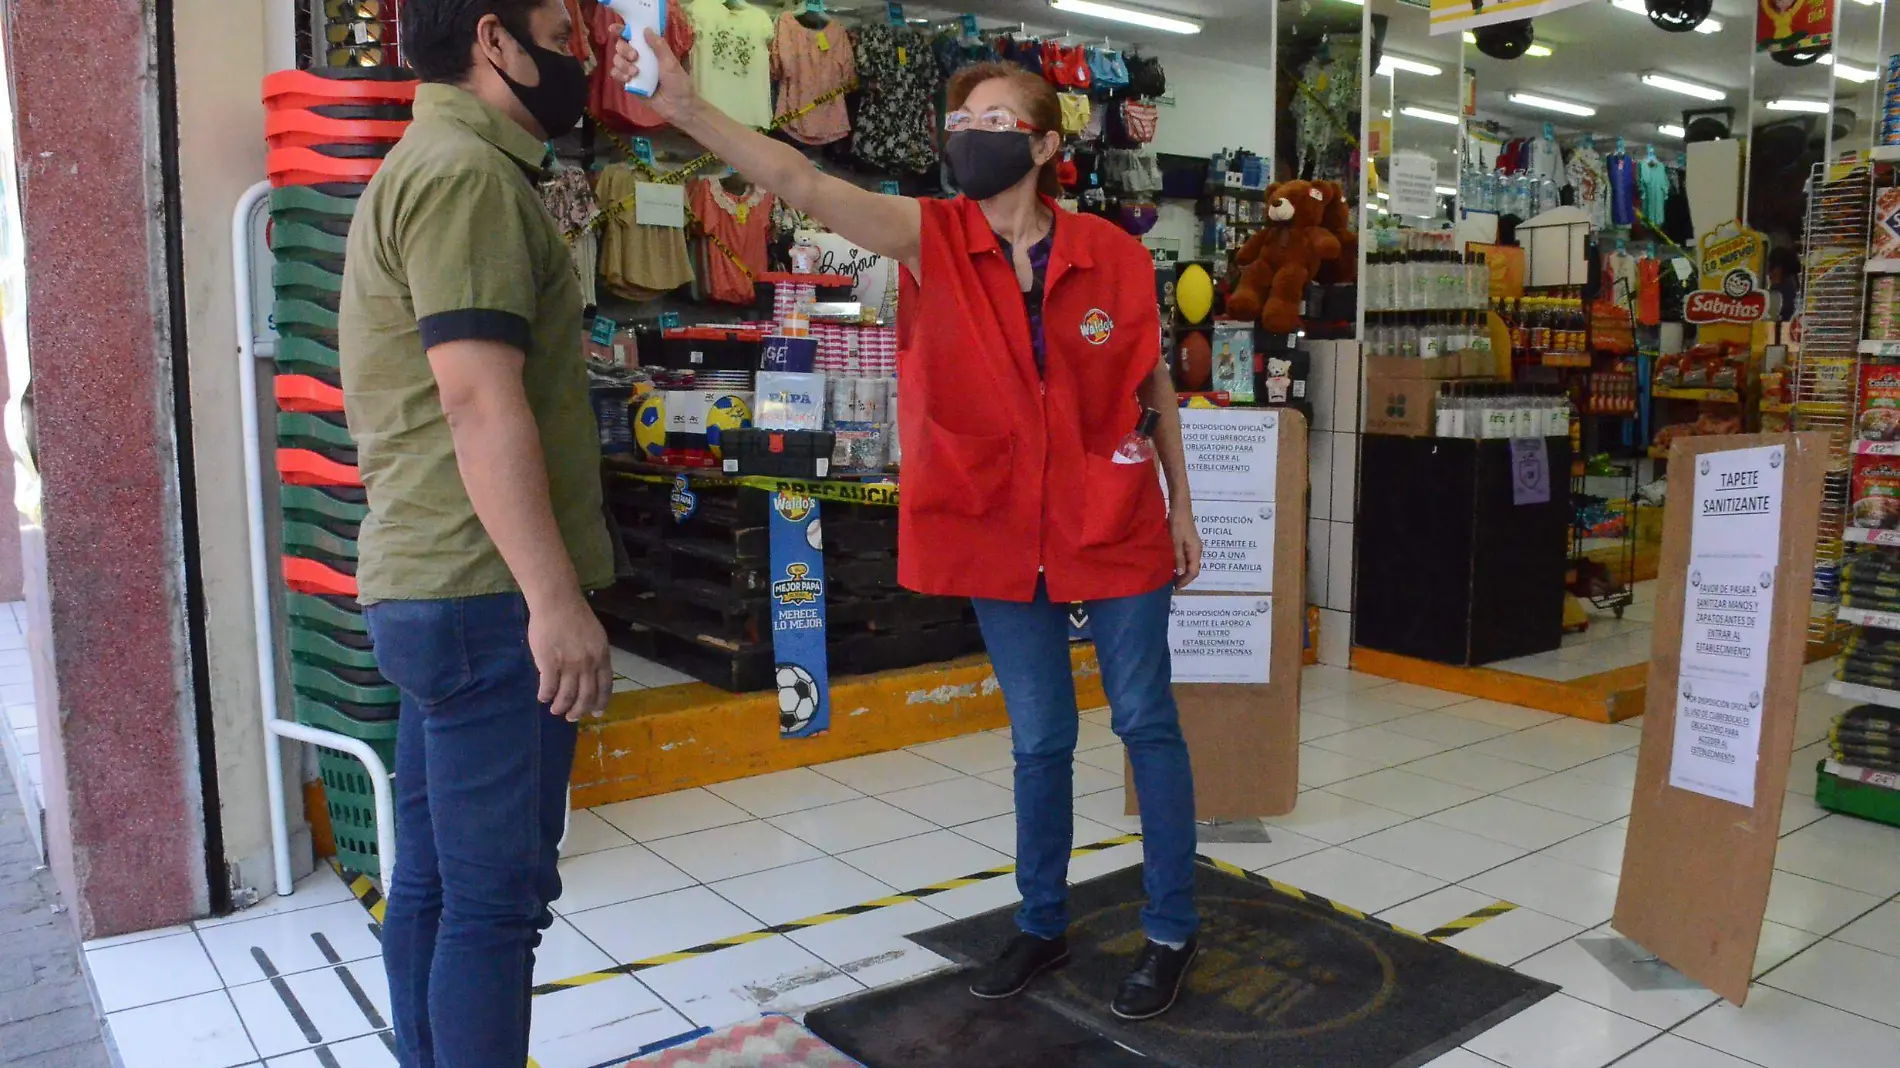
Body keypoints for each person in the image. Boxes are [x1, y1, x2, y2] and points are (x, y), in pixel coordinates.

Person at [616, 42, 1206, 1020]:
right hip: (996, 524)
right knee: (1039, 737)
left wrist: (1182, 505)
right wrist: (684, 107)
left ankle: (1171, 929)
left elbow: (1151, 388)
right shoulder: (929, 237)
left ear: (1047, 142)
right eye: (961, 124)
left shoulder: (1114, 252)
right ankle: (1042, 921)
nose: (970, 140)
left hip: (1113, 518)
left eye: (994, 124)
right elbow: (797, 177)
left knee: (1146, 723)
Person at [337, 1, 615, 1064]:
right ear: (495, 39)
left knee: (438, 885)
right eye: (561, 26)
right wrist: (555, 599)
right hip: (486, 593)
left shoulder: (433, 161)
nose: (581, 51)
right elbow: (476, 400)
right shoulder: (466, 178)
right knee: (496, 907)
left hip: (434, 584)